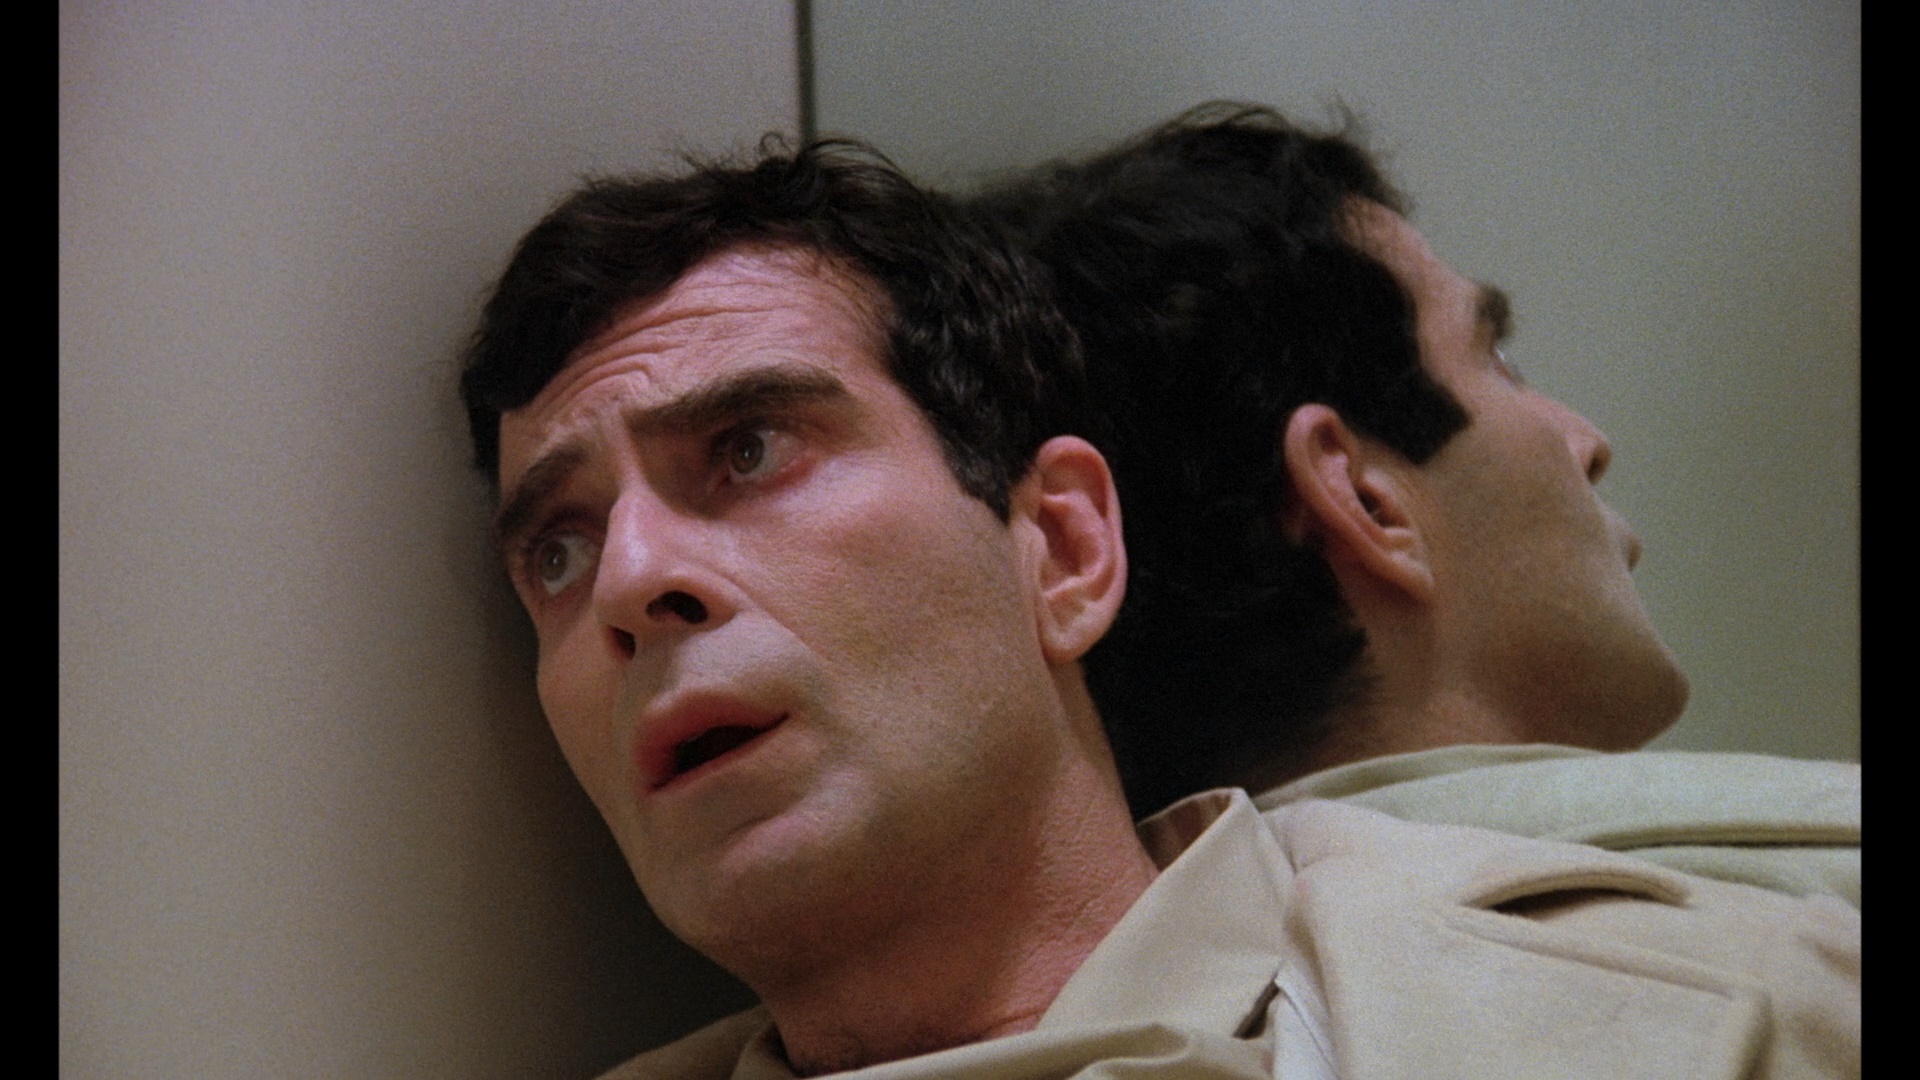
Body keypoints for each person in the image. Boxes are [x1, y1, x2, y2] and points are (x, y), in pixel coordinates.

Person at [460, 138, 1857, 1077]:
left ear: (1065, 548)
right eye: (559, 552)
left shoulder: (1722, 1001)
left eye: (751, 449)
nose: (630, 580)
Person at [975, 103, 1859, 906]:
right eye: (1498, 361)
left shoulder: (1192, 988)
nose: (1589, 442)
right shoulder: (1802, 927)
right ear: (1364, 498)